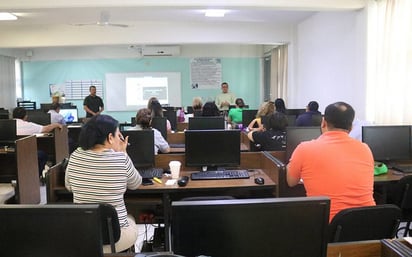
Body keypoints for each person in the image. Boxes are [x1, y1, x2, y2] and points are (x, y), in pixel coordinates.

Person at [286, 102, 376, 222]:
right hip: (369, 224)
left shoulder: (304, 148)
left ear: (323, 122)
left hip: (327, 227)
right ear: (351, 127)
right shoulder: (365, 148)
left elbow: (291, 182)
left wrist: (289, 166)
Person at [65, 114, 142, 253]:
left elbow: (68, 186)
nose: (120, 139)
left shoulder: (75, 156)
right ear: (110, 137)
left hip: (85, 235)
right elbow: (136, 184)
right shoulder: (121, 159)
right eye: (118, 135)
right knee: (130, 218)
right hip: (115, 238)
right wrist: (124, 152)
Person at [12, 107, 63, 176]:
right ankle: (36, 176)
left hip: (11, 153)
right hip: (26, 153)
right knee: (43, 155)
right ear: (25, 117)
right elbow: (45, 129)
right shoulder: (28, 125)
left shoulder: (8, 125)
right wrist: (56, 124)